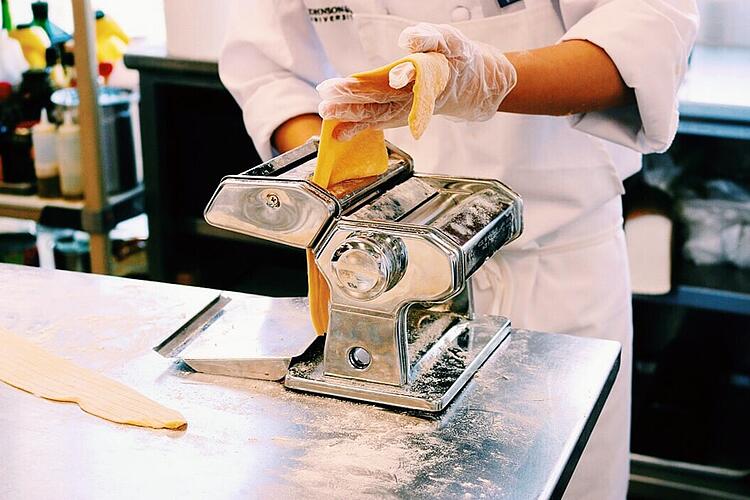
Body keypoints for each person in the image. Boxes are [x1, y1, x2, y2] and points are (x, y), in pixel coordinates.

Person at [220, 1, 699, 498]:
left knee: (564, 482)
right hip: (379, 270)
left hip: (556, 264)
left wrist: (493, 79)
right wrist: (343, 174)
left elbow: (647, 32)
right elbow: (266, 66)